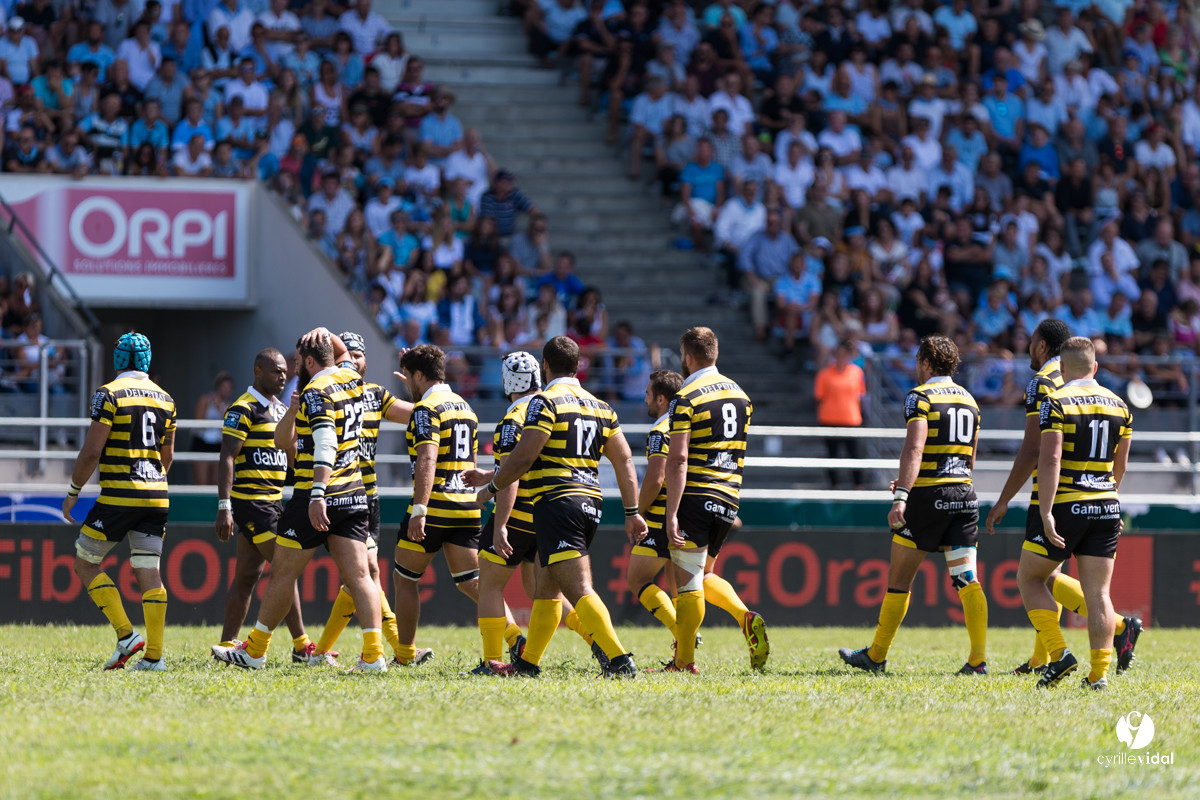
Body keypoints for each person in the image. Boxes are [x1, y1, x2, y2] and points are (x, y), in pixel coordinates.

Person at [468, 336, 645, 677]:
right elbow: (624, 460)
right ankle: (528, 664)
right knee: (547, 589)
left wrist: (491, 487)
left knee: (577, 589)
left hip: (557, 501)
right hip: (591, 501)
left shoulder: (544, 403)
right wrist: (632, 511)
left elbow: (523, 457)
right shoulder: (601, 406)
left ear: (546, 365)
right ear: (578, 366)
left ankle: (619, 660)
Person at [212, 328, 386, 672]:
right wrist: (330, 334)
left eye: (296, 362)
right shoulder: (352, 379)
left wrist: (318, 494)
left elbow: (325, 445)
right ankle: (373, 654)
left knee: (283, 574)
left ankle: (258, 649)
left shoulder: (316, 390)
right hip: (353, 495)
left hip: (314, 496)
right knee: (360, 578)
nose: (292, 370)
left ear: (309, 361)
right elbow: (283, 440)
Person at [839, 335, 988, 675]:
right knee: (967, 579)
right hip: (963, 494)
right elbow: (970, 458)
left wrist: (902, 494)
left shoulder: (920, 397)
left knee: (900, 579)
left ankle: (876, 654)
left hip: (928, 497)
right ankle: (978, 660)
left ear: (925, 362)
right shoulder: (970, 401)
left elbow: (914, 449)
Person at [461, 351, 594, 674]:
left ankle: (493, 658)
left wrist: (500, 524)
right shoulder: (549, 405)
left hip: (518, 512)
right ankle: (599, 643)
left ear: (508, 381)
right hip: (548, 512)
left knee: (490, 583)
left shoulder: (515, 416)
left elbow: (514, 472)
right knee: (545, 591)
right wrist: (490, 474)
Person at [1019, 337, 1134, 690]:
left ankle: (1060, 654)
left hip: (1068, 503)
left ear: (1063, 369)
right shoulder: (1121, 406)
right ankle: (1098, 675)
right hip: (1106, 503)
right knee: (1099, 594)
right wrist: (1106, 493)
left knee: (1030, 578)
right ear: (1095, 368)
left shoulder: (1055, 402)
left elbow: (1049, 458)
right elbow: (1121, 464)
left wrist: (1047, 509)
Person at [61, 333, 175, 672]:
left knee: (85, 562)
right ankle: (154, 657)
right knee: (148, 571)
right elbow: (166, 457)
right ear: (147, 361)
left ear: (117, 359)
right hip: (157, 497)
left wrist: (73, 491)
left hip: (118, 497)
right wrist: (149, 481)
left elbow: (93, 451)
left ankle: (126, 635)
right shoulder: (166, 399)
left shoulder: (107, 394)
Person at [662, 326, 766, 672]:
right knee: (705, 574)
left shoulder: (685, 397)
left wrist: (672, 511)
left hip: (696, 494)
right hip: (728, 496)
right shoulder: (741, 395)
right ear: (715, 354)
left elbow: (677, 459)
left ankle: (684, 661)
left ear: (688, 358)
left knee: (687, 580)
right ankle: (743, 614)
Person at [310, 332, 414, 665]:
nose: (354, 360)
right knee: (366, 572)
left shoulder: (374, 395)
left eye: (359, 355)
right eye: (348, 355)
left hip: (367, 495)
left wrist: (420, 385)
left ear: (366, 361)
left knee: (360, 576)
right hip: (333, 492)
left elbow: (416, 415)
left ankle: (321, 651)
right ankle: (399, 648)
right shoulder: (327, 391)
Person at [392, 344, 493, 666]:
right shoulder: (464, 406)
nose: (406, 382)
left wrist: (419, 509)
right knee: (472, 584)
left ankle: (406, 654)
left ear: (420, 375)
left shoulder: (426, 408)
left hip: (434, 504)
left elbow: (427, 458)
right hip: (465, 506)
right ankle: (515, 639)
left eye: (409, 376)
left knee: (405, 578)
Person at [213, 349, 313, 661]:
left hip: (273, 502)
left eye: (285, 372)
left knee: (245, 576)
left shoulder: (283, 409)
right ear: (258, 372)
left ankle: (228, 644)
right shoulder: (244, 407)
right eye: (276, 372)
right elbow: (227, 455)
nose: (283, 377)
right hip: (252, 502)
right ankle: (302, 647)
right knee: (286, 568)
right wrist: (224, 505)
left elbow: (291, 457)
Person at [814, 341, 866, 489]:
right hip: (829, 419)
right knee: (832, 455)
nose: (840, 357)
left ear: (849, 355)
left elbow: (860, 396)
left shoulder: (857, 372)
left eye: (844, 353)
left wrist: (861, 415)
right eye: (838, 353)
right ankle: (834, 485)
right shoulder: (824, 374)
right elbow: (819, 398)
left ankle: (858, 485)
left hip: (852, 419)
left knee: (855, 454)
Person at [193, 371, 234, 485]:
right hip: (202, 443)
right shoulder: (205, 399)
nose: (226, 390)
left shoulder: (230, 406)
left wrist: (221, 409)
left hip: (218, 444)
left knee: (216, 482)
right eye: (224, 387)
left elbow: (230, 427)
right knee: (202, 482)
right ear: (218, 387)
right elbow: (198, 422)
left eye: (229, 388)